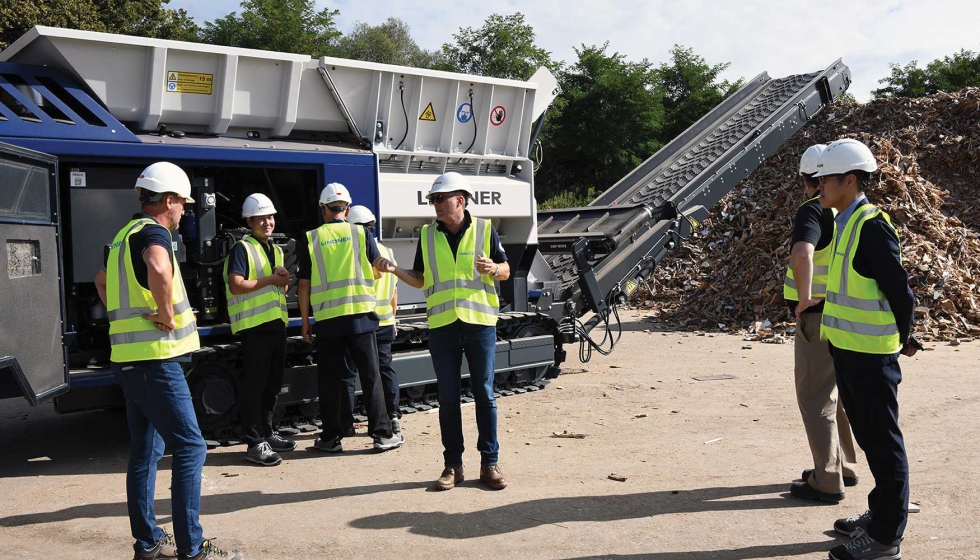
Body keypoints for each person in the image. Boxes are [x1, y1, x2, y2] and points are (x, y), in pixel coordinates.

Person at [94, 162, 242, 560]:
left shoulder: (124, 235)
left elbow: (101, 281)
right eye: (183, 205)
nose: (184, 213)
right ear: (170, 200)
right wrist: (166, 312)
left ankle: (149, 544)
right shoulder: (153, 232)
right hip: (156, 362)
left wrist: (124, 316)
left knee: (145, 452)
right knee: (192, 448)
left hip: (129, 359)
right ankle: (192, 549)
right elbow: (159, 266)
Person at [809, 139, 918, 560]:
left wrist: (900, 339)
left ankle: (886, 539)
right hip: (849, 353)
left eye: (825, 179)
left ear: (849, 180)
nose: (819, 186)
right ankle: (880, 513)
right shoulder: (845, 222)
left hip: (872, 358)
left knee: (884, 443)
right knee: (873, 441)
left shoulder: (871, 226)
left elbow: (901, 293)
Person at [382, 172, 509, 490]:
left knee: (484, 395)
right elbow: (422, 278)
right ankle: (453, 466)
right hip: (442, 327)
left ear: (460, 200)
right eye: (433, 200)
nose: (435, 204)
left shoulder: (484, 229)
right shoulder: (427, 235)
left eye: (440, 198)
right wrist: (395, 270)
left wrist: (493, 269)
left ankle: (489, 464)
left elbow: (506, 269)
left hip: (479, 324)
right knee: (449, 399)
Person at [297, 183, 404, 453]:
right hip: (361, 318)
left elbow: (303, 285)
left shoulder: (311, 238)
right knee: (371, 377)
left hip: (328, 319)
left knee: (330, 380)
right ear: (346, 208)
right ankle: (382, 435)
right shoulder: (360, 233)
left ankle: (331, 438)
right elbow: (379, 270)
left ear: (323, 209)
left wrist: (306, 321)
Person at [784, 144, 860, 504]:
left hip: (816, 317)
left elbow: (803, 253)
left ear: (808, 180)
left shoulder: (812, 212)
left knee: (815, 397)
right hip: (845, 316)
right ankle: (845, 466)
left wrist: (802, 298)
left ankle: (827, 480)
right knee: (837, 393)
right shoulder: (852, 213)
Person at [224, 193, 295, 467]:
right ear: (250, 221)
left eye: (270, 217)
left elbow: (280, 287)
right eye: (261, 218)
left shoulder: (275, 250)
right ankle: (254, 442)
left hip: (275, 324)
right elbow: (236, 284)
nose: (268, 222)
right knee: (255, 385)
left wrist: (283, 280)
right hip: (254, 327)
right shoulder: (242, 248)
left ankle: (267, 433)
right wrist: (271, 279)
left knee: (272, 384)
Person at [348, 205, 402, 433]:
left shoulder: (358, 255)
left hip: (364, 322)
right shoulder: (388, 252)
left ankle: (347, 421)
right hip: (386, 320)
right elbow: (395, 290)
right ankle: (393, 415)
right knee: (384, 369)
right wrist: (394, 317)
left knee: (352, 372)